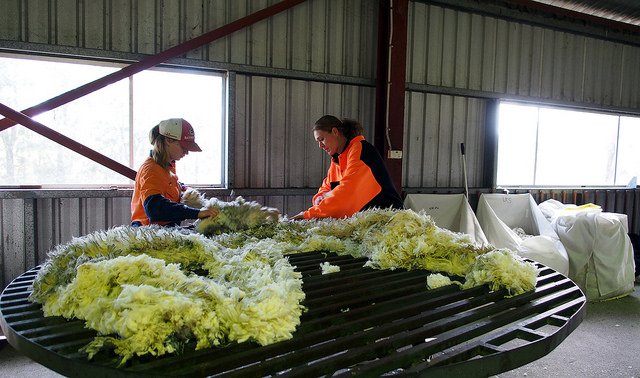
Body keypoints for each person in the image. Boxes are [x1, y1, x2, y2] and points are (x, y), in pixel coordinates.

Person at [292, 115, 403, 219]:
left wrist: (309, 215)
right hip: (364, 223)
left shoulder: (360, 150)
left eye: (322, 139)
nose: (320, 146)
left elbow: (348, 193)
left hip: (389, 219)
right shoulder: (337, 160)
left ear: (335, 132)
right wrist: (320, 199)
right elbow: (325, 189)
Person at [131, 118, 218, 227]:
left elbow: (169, 186)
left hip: (166, 230)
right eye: (183, 147)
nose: (186, 152)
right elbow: (155, 208)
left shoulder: (167, 166)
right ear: (168, 140)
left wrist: (185, 190)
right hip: (148, 233)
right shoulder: (150, 169)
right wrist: (197, 213)